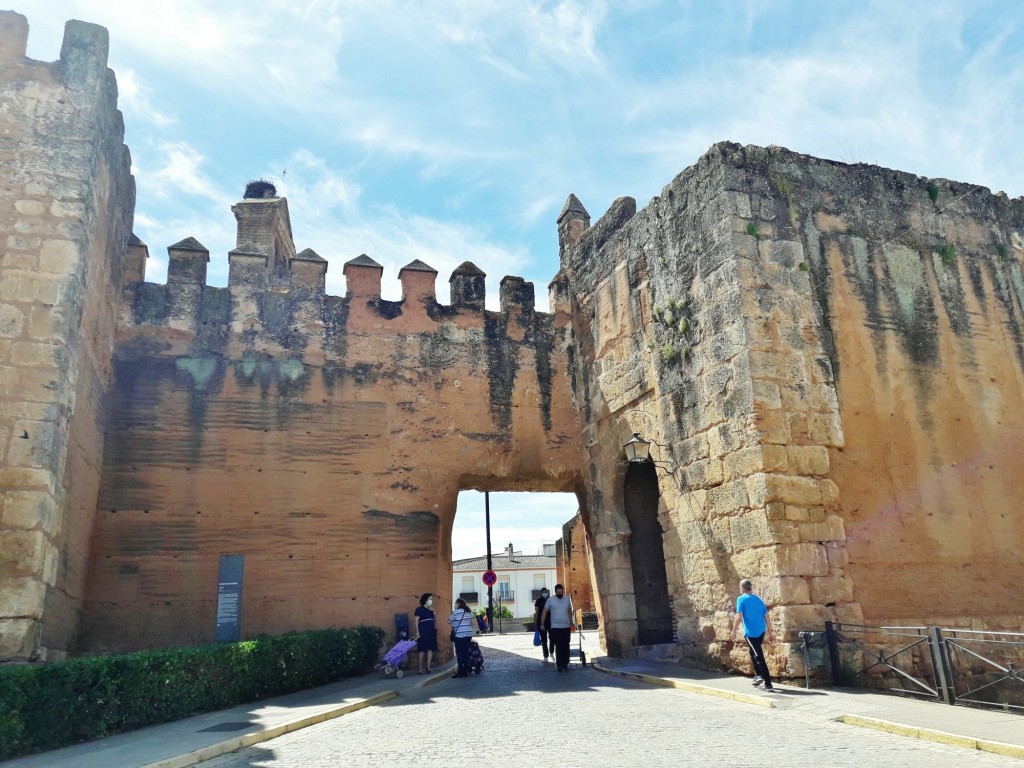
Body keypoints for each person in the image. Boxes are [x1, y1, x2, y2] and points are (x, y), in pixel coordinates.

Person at [731, 578, 775, 691]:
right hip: (761, 631)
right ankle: (758, 676)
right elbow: (767, 617)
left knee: (759, 657)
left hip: (751, 634)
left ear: (742, 588)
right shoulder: (759, 599)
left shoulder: (741, 599)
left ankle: (768, 684)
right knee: (753, 652)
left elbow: (739, 616)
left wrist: (734, 630)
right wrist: (770, 634)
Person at [540, 583, 574, 671]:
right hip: (555, 627)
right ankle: (560, 665)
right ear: (555, 592)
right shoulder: (550, 600)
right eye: (558, 592)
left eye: (561, 592)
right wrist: (542, 624)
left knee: (566, 645)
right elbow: (544, 612)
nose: (560, 594)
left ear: (563, 591)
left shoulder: (567, 599)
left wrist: (571, 622)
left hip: (566, 626)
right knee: (558, 645)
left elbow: (569, 611)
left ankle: (565, 663)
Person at [448, 597, 475, 678]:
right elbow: (472, 623)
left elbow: (449, 621)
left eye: (455, 603)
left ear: (458, 604)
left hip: (459, 635)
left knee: (459, 653)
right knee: (466, 652)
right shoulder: (468, 612)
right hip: (468, 634)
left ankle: (460, 672)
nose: (455, 605)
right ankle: (465, 671)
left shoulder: (456, 612)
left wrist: (455, 622)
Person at [414, 593, 437, 674]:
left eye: (431, 599)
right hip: (423, 630)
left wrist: (433, 612)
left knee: (430, 648)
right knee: (422, 648)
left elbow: (434, 620)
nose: (431, 600)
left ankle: (428, 667)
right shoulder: (419, 609)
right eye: (429, 599)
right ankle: (420, 667)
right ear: (425, 600)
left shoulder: (431, 610)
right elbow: (416, 621)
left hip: (431, 630)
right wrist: (417, 631)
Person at [533, 587, 553, 663]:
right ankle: (545, 657)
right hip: (541, 622)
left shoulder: (550, 600)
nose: (545, 593)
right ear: (541, 593)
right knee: (544, 640)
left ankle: (551, 652)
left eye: (546, 592)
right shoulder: (538, 601)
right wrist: (536, 623)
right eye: (544, 592)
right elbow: (536, 612)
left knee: (552, 638)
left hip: (550, 622)